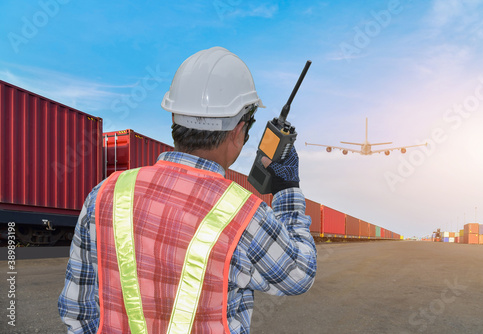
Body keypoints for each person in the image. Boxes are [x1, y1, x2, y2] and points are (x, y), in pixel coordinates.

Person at [58, 46, 317, 334]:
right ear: (237, 131)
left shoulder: (105, 194)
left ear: (173, 120)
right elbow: (299, 274)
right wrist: (287, 189)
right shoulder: (244, 215)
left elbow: (78, 313)